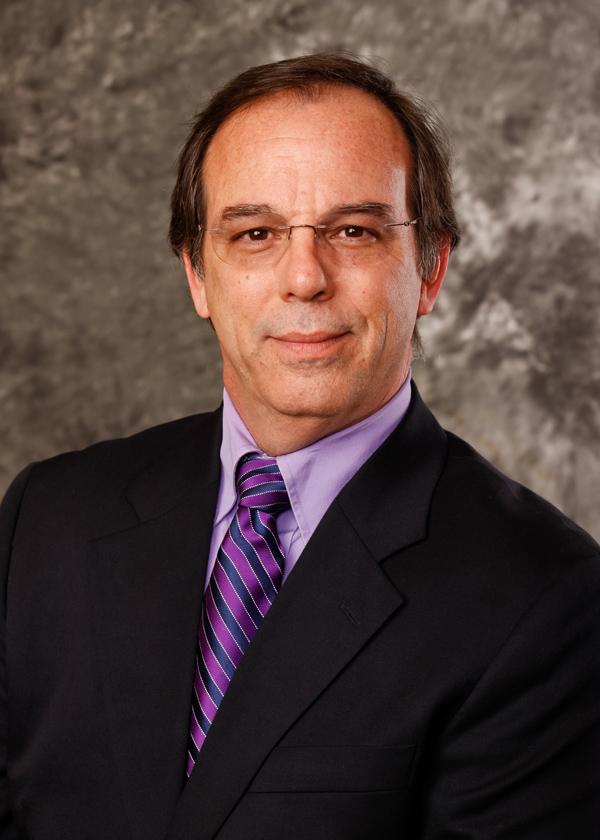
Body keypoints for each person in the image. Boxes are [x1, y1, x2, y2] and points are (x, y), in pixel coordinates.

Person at [0, 53, 598, 840]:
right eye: (256, 234)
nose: (305, 278)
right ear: (197, 275)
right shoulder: (46, 520)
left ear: (429, 269)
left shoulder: (546, 599)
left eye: (354, 231)